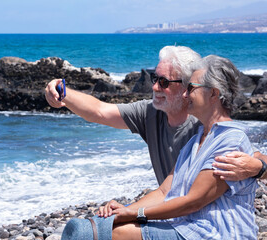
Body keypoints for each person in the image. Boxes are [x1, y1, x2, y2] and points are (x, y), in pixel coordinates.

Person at [45, 45, 267, 185]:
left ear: (187, 87)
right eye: (154, 79)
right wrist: (61, 91)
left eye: (164, 82)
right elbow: (99, 112)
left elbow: (253, 157)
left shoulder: (204, 121)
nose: (155, 88)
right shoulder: (151, 113)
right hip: (171, 210)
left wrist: (258, 168)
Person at [97, 55, 258, 239]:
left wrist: (136, 214)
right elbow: (165, 191)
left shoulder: (230, 140)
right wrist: (123, 211)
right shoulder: (195, 142)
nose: (185, 94)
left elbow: (193, 202)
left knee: (117, 234)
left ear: (213, 94)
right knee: (101, 227)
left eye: (191, 88)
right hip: (187, 227)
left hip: (215, 234)